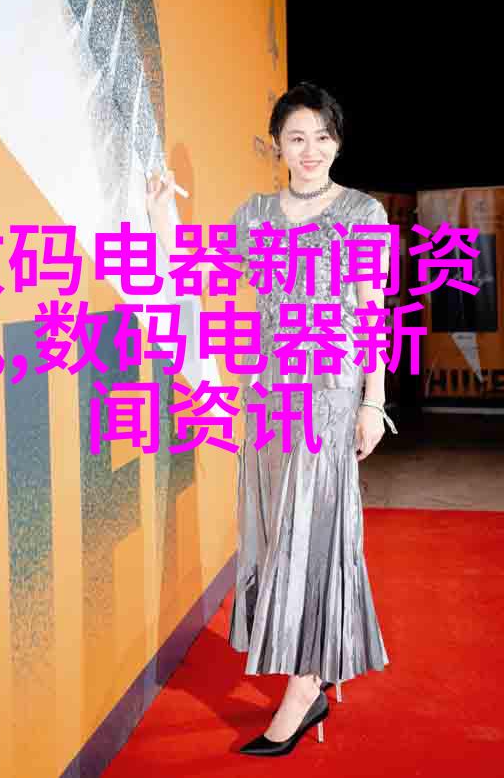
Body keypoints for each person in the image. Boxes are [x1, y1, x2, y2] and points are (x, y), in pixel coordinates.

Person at [146, 81, 394, 757]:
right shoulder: (254, 215)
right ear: (276, 145)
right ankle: (315, 667)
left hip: (331, 391)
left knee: (315, 533)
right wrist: (164, 216)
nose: (311, 150)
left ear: (337, 141)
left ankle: (305, 686)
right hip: (269, 396)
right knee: (277, 530)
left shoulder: (363, 213)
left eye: (322, 137)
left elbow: (372, 312)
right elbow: (196, 274)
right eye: (296, 137)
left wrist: (373, 401)